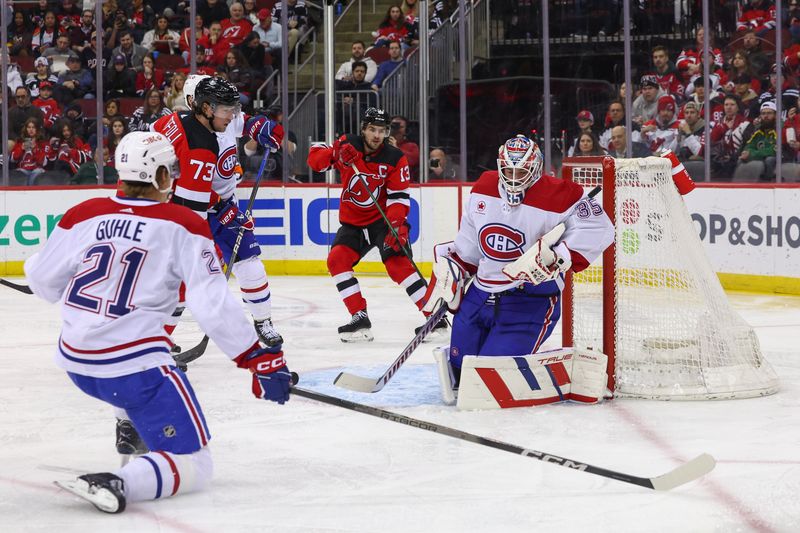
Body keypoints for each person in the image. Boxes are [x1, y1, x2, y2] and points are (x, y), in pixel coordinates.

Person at [23, 131, 292, 515]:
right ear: (161, 175)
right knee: (196, 464)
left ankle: (135, 428)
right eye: (172, 172)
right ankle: (119, 482)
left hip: (77, 363)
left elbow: (43, 283)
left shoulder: (83, 213)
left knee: (138, 387)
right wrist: (256, 357)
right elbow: (210, 302)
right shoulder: (182, 223)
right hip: (134, 369)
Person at [421, 135, 613, 395]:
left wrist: (558, 257)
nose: (513, 177)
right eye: (508, 170)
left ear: (535, 168)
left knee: (488, 375)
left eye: (521, 170)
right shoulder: (484, 186)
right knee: (458, 366)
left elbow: (601, 228)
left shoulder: (559, 193)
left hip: (529, 299)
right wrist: (453, 269)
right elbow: (469, 247)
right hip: (479, 295)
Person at [150, 75, 285, 346]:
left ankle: (263, 321)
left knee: (250, 264)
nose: (231, 115)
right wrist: (225, 211)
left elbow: (244, 120)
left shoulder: (220, 116)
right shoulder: (193, 139)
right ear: (199, 105)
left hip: (220, 203)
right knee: (179, 281)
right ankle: (156, 339)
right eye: (224, 109)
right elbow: (191, 192)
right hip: (192, 209)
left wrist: (263, 127)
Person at [307, 107, 440, 341]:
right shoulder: (349, 145)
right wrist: (336, 155)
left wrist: (397, 225)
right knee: (337, 260)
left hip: (383, 222)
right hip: (353, 224)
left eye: (381, 130)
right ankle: (359, 318)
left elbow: (398, 197)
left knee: (399, 266)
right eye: (372, 130)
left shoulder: (394, 158)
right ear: (363, 129)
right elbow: (315, 161)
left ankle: (437, 321)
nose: (376, 135)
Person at [736, 100, 777, 181]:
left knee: (770, 160)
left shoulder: (780, 129)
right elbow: (748, 146)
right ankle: (739, 185)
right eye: (763, 113)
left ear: (775, 115)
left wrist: (752, 154)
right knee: (741, 159)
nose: (766, 116)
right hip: (760, 157)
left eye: (769, 113)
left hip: (779, 160)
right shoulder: (758, 130)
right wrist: (746, 152)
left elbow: (774, 150)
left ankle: (768, 183)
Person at [10, 118, 54, 185]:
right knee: (19, 173)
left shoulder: (43, 144)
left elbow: (44, 163)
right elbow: (13, 159)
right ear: (26, 129)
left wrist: (35, 150)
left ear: (37, 129)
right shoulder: (20, 142)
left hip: (37, 169)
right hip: (23, 169)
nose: (31, 129)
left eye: (33, 127)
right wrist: (21, 149)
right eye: (29, 127)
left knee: (37, 172)